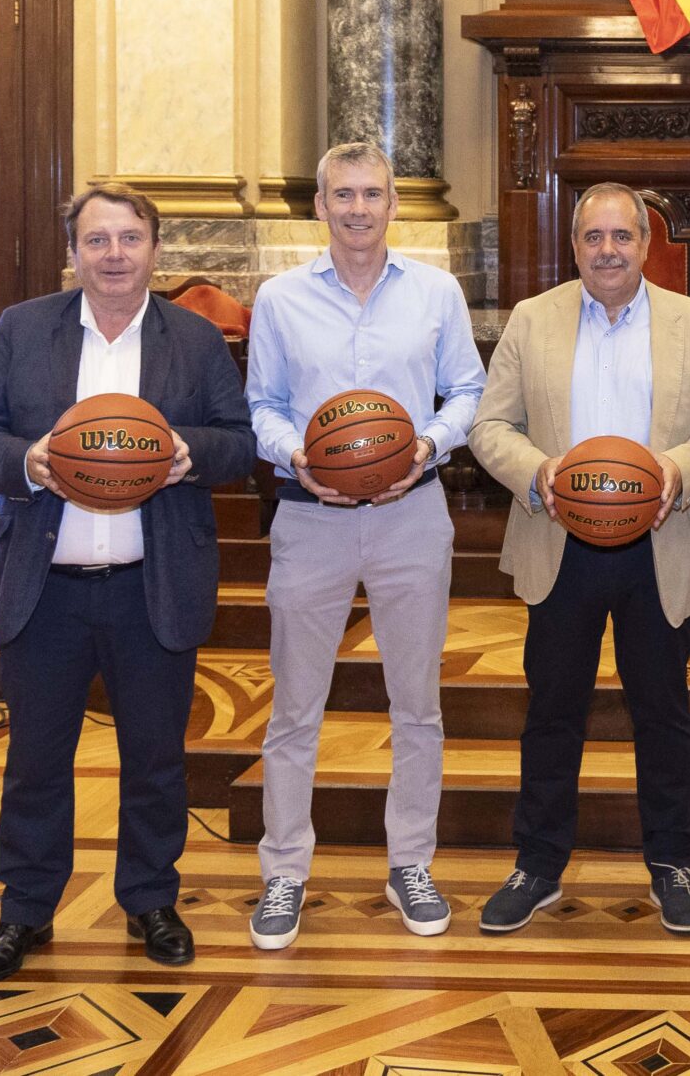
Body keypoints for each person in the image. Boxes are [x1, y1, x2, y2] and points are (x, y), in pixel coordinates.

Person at [0, 183, 255, 984]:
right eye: (97, 240)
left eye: (129, 238)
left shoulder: (195, 339)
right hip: (44, 586)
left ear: (156, 248)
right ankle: (24, 911)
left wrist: (186, 450)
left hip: (152, 583)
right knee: (36, 760)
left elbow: (239, 443)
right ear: (74, 252)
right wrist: (31, 461)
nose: (114, 254)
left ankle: (151, 898)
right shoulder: (24, 330)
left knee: (155, 757)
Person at [468, 184, 690, 937]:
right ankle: (537, 861)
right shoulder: (533, 320)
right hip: (561, 542)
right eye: (594, 237)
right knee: (553, 711)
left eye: (623, 236)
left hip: (661, 542)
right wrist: (538, 472)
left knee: (664, 712)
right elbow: (490, 423)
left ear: (648, 245)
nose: (608, 249)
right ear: (575, 244)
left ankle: (672, 861)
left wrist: (678, 472)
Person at [242, 142, 486, 950]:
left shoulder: (437, 292)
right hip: (309, 518)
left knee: (417, 705)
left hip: (411, 514)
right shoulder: (278, 299)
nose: (356, 208)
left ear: (392, 205)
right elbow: (264, 404)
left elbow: (469, 390)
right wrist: (297, 456)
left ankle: (409, 860)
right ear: (319, 205)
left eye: (371, 194)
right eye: (341, 194)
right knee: (293, 708)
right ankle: (284, 871)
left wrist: (424, 445)